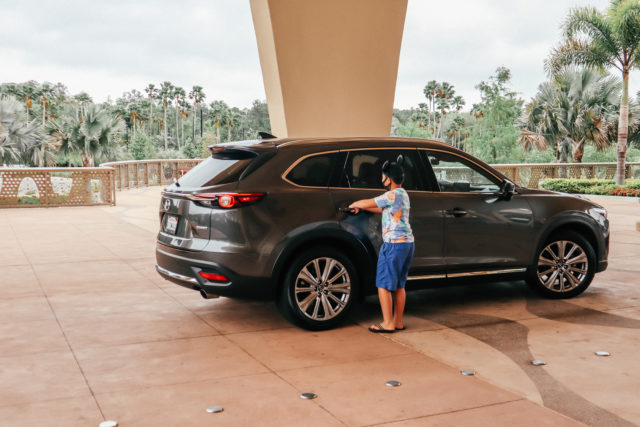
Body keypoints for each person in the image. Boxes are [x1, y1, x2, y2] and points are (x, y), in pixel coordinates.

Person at [349, 155, 414, 333]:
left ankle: (387, 323)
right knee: (400, 286)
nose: (381, 179)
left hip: (393, 245)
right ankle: (398, 321)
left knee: (383, 286)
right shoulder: (403, 194)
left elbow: (370, 202)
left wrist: (356, 204)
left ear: (388, 178)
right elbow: (381, 208)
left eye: (382, 176)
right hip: (407, 244)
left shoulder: (390, 194)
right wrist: (363, 207)